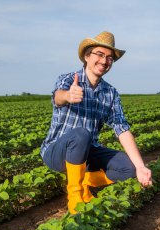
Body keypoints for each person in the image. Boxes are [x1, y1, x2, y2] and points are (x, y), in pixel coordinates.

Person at [40, 31, 152, 214]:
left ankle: (83, 179)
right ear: (86, 56)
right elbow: (57, 97)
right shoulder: (69, 80)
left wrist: (141, 167)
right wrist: (68, 95)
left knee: (129, 168)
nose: (104, 61)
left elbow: (121, 128)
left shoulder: (110, 93)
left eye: (109, 58)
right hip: (56, 153)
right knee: (81, 133)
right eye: (99, 54)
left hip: (87, 152)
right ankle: (75, 196)